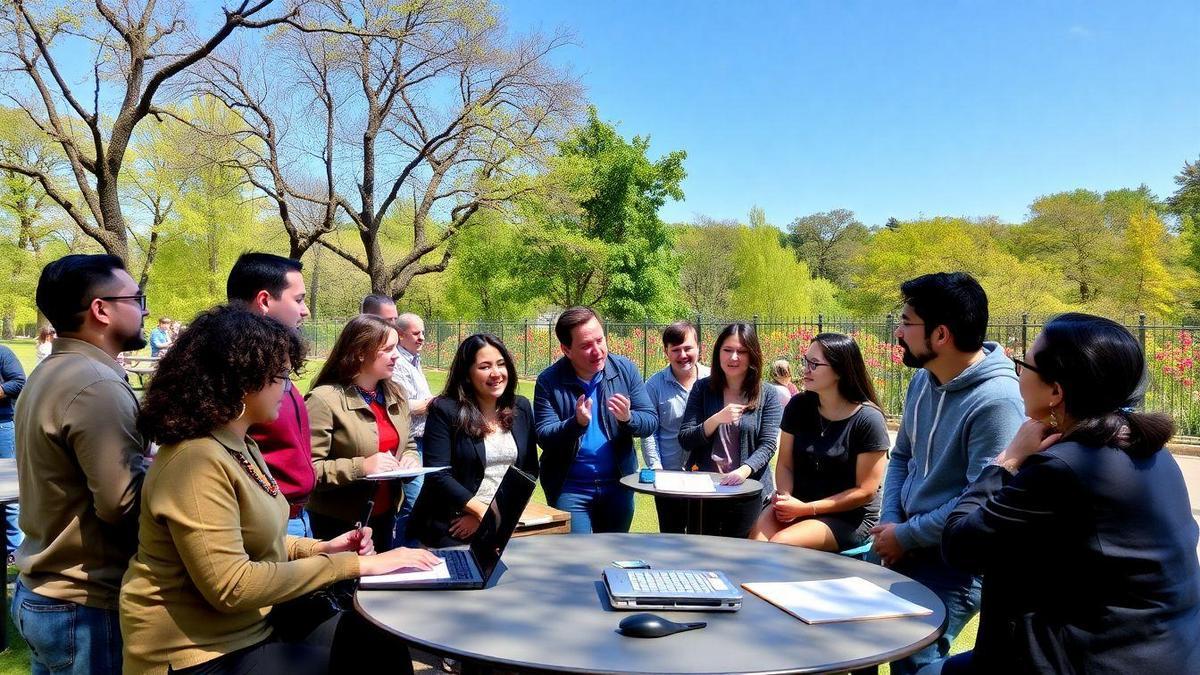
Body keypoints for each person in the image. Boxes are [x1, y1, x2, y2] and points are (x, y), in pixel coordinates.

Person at [120, 305, 439, 674]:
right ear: (241, 382)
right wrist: (354, 564)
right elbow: (231, 585)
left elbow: (259, 538)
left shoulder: (240, 443)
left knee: (378, 642)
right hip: (198, 651)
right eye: (280, 377)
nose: (287, 389)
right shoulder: (195, 461)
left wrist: (322, 546)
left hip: (249, 627)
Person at [939, 313, 1200, 674]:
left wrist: (1006, 461)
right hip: (1162, 652)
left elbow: (959, 544)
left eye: (1023, 365)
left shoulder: (1062, 468)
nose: (1019, 374)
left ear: (1056, 391)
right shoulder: (1151, 451)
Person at [872, 272, 1024, 675]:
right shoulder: (923, 378)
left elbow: (981, 498)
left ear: (940, 334)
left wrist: (904, 535)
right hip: (899, 535)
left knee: (915, 659)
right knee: (853, 637)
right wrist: (890, 523)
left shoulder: (998, 401)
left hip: (954, 559)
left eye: (906, 322)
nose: (898, 332)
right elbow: (902, 455)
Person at [13, 254, 150, 674]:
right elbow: (120, 504)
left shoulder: (52, 370)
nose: (144, 309)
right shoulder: (96, 384)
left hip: (45, 595)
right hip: (84, 604)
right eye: (137, 298)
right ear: (101, 309)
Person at [749, 333, 889, 551]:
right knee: (755, 544)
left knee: (780, 545)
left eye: (814, 364)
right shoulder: (798, 406)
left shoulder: (868, 419)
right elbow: (785, 463)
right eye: (805, 361)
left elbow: (865, 491)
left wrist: (806, 510)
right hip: (797, 503)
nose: (805, 369)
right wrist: (785, 499)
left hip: (847, 517)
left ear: (840, 370)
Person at [534, 307, 657, 534]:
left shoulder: (624, 370)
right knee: (579, 558)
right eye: (586, 346)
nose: (597, 351)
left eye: (600, 340)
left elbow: (650, 420)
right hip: (570, 488)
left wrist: (628, 418)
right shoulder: (549, 381)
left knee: (613, 556)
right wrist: (575, 423)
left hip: (619, 485)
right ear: (566, 350)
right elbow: (544, 435)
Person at [409, 334, 540, 547]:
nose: (496, 373)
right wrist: (479, 511)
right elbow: (438, 475)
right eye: (484, 367)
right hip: (451, 525)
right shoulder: (444, 410)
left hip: (502, 523)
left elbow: (529, 470)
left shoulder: (521, 407)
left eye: (501, 364)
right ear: (467, 374)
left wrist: (492, 516)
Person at [306, 315, 421, 553]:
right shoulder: (323, 400)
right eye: (388, 349)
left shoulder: (395, 393)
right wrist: (362, 467)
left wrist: (410, 458)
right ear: (360, 352)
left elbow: (407, 443)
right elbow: (309, 471)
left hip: (385, 516)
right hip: (337, 525)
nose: (396, 355)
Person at [227, 252, 315, 538]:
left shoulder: (274, 362)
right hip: (263, 527)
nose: (306, 311)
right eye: (299, 300)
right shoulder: (230, 372)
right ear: (265, 301)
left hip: (298, 519)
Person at [677, 322, 781, 538]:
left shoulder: (767, 394)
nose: (733, 357)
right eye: (727, 350)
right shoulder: (703, 388)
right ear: (718, 353)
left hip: (748, 490)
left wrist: (743, 471)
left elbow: (769, 444)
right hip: (706, 490)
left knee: (741, 556)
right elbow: (686, 438)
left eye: (741, 352)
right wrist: (715, 420)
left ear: (752, 355)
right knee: (701, 555)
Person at [642, 321, 709, 533]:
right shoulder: (654, 385)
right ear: (666, 352)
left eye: (688, 348)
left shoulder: (714, 379)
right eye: (676, 350)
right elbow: (649, 432)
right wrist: (656, 468)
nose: (683, 355)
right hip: (669, 478)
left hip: (708, 479)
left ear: (699, 347)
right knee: (671, 540)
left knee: (705, 539)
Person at [389, 309, 433, 547]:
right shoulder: (397, 363)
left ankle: (406, 544)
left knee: (421, 500)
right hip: (408, 443)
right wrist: (433, 404)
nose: (422, 338)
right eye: (416, 333)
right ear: (400, 335)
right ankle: (403, 547)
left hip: (423, 440)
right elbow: (401, 404)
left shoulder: (414, 359)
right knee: (416, 499)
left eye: (423, 332)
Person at [0, 342, 26, 558]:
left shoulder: (2, 352)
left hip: (2, 426)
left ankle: (15, 548)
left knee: (8, 490)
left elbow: (19, 381)